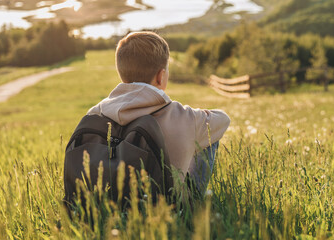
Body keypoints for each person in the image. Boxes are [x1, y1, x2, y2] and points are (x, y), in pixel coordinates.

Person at [86, 31, 230, 197]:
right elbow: (223, 120)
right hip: (171, 210)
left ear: (122, 73)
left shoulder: (95, 113)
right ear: (161, 77)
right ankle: (192, 198)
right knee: (209, 138)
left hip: (106, 208)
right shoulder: (185, 118)